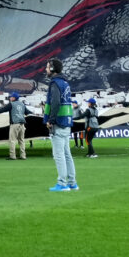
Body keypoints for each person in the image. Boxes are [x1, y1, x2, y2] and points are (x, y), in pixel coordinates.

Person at [45, 59, 79, 193]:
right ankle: (72, 182)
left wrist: (51, 120)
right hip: (66, 121)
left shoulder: (55, 83)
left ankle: (62, 183)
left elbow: (55, 103)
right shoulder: (65, 82)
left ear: (52, 69)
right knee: (67, 154)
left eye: (47, 67)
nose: (46, 70)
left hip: (58, 122)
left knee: (58, 155)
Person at [5, 89, 29, 161]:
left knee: (12, 140)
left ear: (14, 98)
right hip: (22, 124)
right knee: (21, 140)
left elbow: (3, 109)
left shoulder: (11, 104)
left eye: (11, 97)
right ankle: (23, 155)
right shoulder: (22, 104)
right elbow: (27, 112)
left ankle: (12, 156)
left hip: (15, 124)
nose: (10, 98)